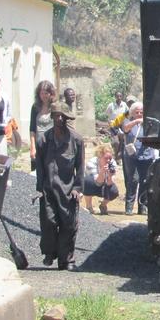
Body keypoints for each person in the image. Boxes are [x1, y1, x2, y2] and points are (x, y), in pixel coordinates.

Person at [35, 102, 84, 271]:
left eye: (63, 116)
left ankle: (66, 259)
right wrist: (38, 189)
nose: (60, 119)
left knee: (68, 224)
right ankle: (50, 253)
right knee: (48, 221)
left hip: (68, 190)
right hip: (48, 189)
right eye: (57, 115)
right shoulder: (43, 139)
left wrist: (78, 189)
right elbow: (40, 167)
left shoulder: (76, 140)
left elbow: (81, 167)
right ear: (52, 117)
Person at [122, 102, 157, 215]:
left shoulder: (149, 123)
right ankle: (129, 206)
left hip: (147, 156)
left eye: (141, 112)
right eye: (137, 112)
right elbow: (125, 129)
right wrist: (137, 121)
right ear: (132, 113)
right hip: (132, 156)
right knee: (133, 180)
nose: (139, 114)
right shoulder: (128, 121)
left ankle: (143, 207)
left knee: (145, 181)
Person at [83, 143, 119, 215]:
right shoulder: (92, 162)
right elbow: (97, 183)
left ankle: (103, 205)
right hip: (93, 185)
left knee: (114, 191)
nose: (108, 160)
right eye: (106, 158)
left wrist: (109, 176)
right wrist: (102, 172)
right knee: (87, 181)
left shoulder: (112, 164)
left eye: (110, 158)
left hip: (104, 186)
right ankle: (89, 206)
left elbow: (110, 184)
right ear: (100, 156)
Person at [29, 80, 56, 171]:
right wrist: (32, 146)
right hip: (38, 143)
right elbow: (32, 128)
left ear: (51, 93)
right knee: (38, 172)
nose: (44, 96)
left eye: (46, 93)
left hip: (52, 143)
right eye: (42, 93)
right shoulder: (35, 107)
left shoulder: (55, 106)